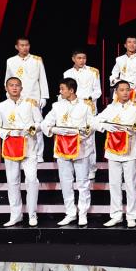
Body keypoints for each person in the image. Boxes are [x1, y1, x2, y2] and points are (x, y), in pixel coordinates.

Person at [0, 77, 43, 227]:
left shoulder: (30, 103)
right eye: (11, 85)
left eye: (17, 85)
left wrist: (31, 129)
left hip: (29, 147)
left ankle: (32, 214)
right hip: (11, 148)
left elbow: (40, 123)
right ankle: (15, 215)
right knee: (13, 182)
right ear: (6, 88)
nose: (14, 88)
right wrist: (7, 133)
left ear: (21, 88)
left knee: (31, 180)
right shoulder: (1, 106)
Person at [42, 78, 95, 226]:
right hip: (62, 148)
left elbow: (91, 126)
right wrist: (55, 130)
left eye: (62, 89)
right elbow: (45, 123)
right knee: (66, 182)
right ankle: (70, 213)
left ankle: (83, 213)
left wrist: (80, 135)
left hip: (81, 148)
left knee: (83, 183)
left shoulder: (85, 106)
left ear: (71, 90)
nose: (60, 91)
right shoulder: (57, 106)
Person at [94, 80, 136, 228]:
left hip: (130, 150)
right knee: (115, 184)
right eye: (121, 90)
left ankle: (131, 216)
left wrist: (132, 129)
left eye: (127, 89)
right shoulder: (110, 108)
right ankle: (116, 215)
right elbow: (95, 121)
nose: (125, 92)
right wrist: (106, 126)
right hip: (113, 150)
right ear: (116, 92)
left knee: (131, 184)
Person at [6, 37, 49, 162]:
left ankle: (39, 154)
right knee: (18, 125)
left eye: (27, 45)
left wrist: (44, 97)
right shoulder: (11, 61)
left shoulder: (37, 60)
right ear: (17, 47)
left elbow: (42, 78)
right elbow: (8, 79)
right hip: (17, 97)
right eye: (22, 45)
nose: (25, 48)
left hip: (33, 97)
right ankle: (21, 151)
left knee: (37, 126)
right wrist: (8, 95)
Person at [62, 48, 101, 179]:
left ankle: (92, 168)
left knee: (90, 139)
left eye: (84, 58)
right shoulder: (67, 73)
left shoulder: (93, 71)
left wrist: (88, 99)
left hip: (88, 107)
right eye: (79, 58)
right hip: (73, 107)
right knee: (74, 136)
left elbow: (98, 91)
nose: (82, 60)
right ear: (73, 59)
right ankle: (74, 166)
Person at [109, 36, 136, 102]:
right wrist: (117, 82)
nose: (132, 45)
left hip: (135, 95)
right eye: (129, 42)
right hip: (120, 94)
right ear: (125, 45)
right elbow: (113, 75)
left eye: (134, 43)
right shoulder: (119, 59)